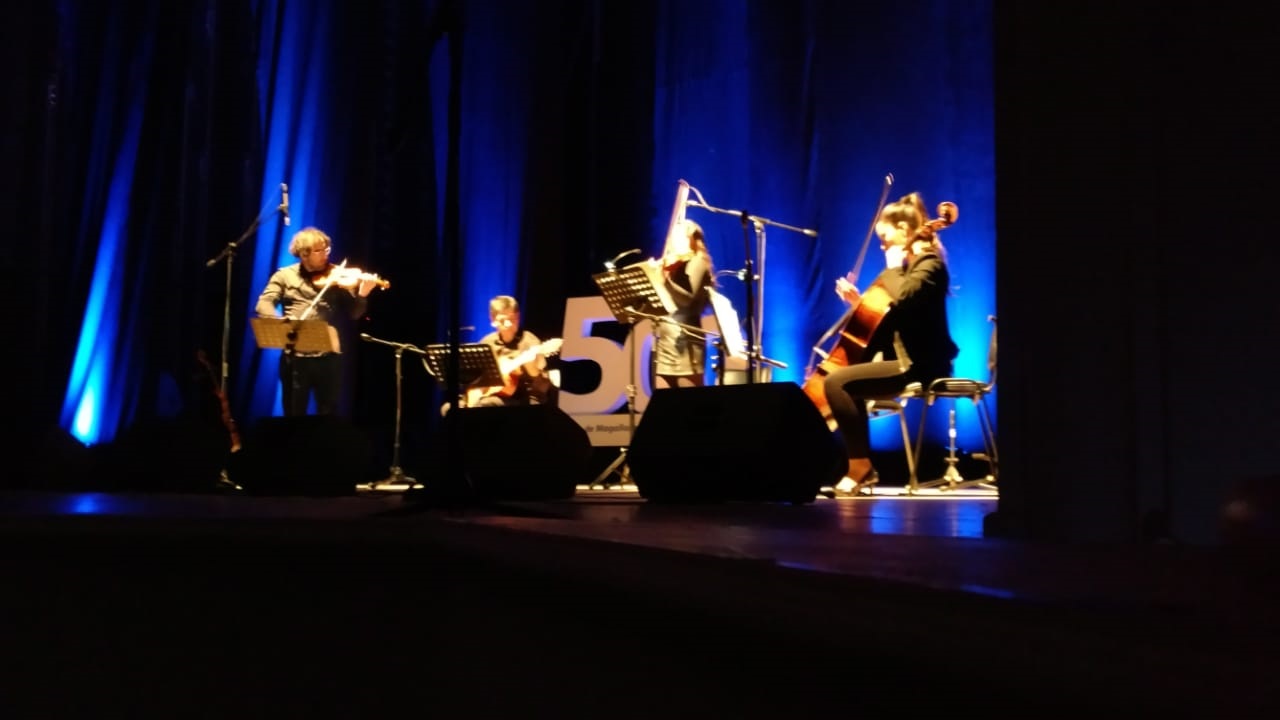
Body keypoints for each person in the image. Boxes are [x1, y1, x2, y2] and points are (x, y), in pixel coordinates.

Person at [822, 192, 959, 496]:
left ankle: (860, 467)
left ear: (904, 231)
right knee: (841, 383)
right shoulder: (910, 269)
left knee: (837, 384)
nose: (882, 246)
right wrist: (859, 303)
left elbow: (906, 300)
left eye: (884, 239)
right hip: (903, 359)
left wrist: (894, 268)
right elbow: (893, 317)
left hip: (922, 364)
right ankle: (860, 465)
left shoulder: (930, 266)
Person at [254, 226, 379, 416]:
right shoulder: (284, 275)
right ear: (304, 254)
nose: (325, 255)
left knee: (328, 413)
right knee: (294, 414)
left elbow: (355, 314)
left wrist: (362, 294)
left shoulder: (337, 276)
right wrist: (280, 322)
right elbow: (264, 303)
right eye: (319, 251)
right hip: (295, 358)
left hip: (328, 357)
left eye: (327, 249)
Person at [457, 295, 556, 409]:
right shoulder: (487, 342)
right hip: (491, 394)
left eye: (513, 319)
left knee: (485, 405)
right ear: (493, 319)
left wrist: (532, 360)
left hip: (523, 397)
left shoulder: (529, 341)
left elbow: (536, 374)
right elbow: (476, 376)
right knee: (450, 408)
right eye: (503, 320)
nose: (508, 324)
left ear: (518, 317)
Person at [653, 218, 715, 389]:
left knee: (690, 408)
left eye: (681, 236)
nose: (675, 241)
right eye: (674, 236)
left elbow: (687, 300)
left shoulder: (699, 261)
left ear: (693, 239)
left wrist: (665, 282)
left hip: (687, 344)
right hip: (666, 344)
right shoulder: (673, 264)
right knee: (664, 405)